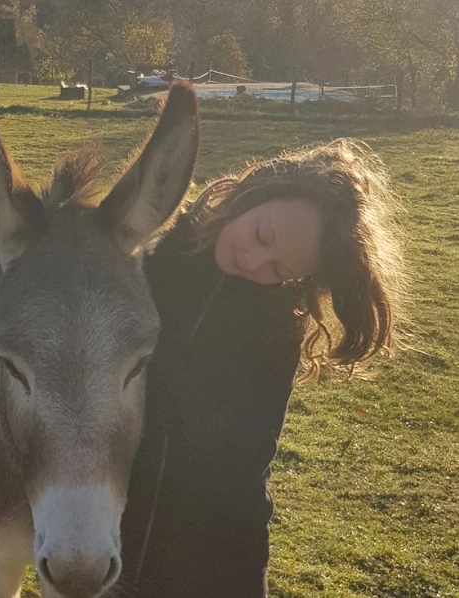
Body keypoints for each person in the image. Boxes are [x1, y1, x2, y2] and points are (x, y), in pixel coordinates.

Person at [118, 138, 408, 597]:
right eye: (261, 236)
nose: (252, 263)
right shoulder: (154, 248)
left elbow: (242, 470)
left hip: (210, 557)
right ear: (254, 192)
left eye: (279, 270)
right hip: (111, 533)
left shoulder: (274, 326)